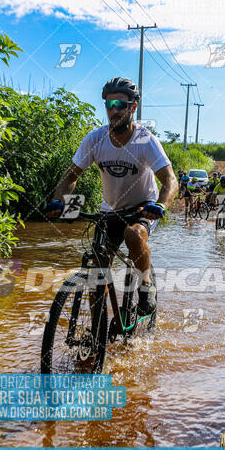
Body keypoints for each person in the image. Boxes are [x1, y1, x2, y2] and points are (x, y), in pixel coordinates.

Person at [45, 77, 178, 316]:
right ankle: (97, 336)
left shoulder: (145, 140)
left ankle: (146, 286)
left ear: (133, 107)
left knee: (133, 235)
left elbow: (170, 180)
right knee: (98, 269)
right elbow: (70, 177)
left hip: (143, 207)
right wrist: (59, 200)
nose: (113, 110)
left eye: (119, 104)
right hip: (111, 209)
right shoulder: (95, 139)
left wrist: (161, 205)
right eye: (108, 104)